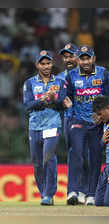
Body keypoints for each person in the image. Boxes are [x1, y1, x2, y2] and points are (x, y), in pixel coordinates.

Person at [65, 46, 109, 205]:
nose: (85, 62)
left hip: (97, 124)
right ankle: (73, 191)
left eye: (88, 58)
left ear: (93, 58)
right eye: (82, 59)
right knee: (76, 153)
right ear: (77, 60)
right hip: (78, 121)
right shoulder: (71, 75)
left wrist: (102, 117)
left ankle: (91, 194)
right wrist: (71, 117)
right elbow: (68, 98)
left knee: (95, 158)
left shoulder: (103, 73)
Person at [23, 50, 67, 205]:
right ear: (37, 65)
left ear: (52, 64)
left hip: (52, 124)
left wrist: (53, 99)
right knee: (37, 162)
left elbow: (62, 104)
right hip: (34, 126)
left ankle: (49, 193)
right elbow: (27, 106)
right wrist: (43, 100)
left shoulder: (60, 82)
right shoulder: (29, 83)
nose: (46, 66)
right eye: (43, 63)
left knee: (48, 158)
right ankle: (44, 194)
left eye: (48, 63)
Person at [56, 43, 88, 205]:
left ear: (78, 57)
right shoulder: (61, 77)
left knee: (86, 155)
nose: (68, 59)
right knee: (74, 155)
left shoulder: (86, 75)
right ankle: (72, 191)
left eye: (71, 56)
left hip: (87, 120)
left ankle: (84, 190)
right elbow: (57, 99)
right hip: (69, 119)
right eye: (65, 56)